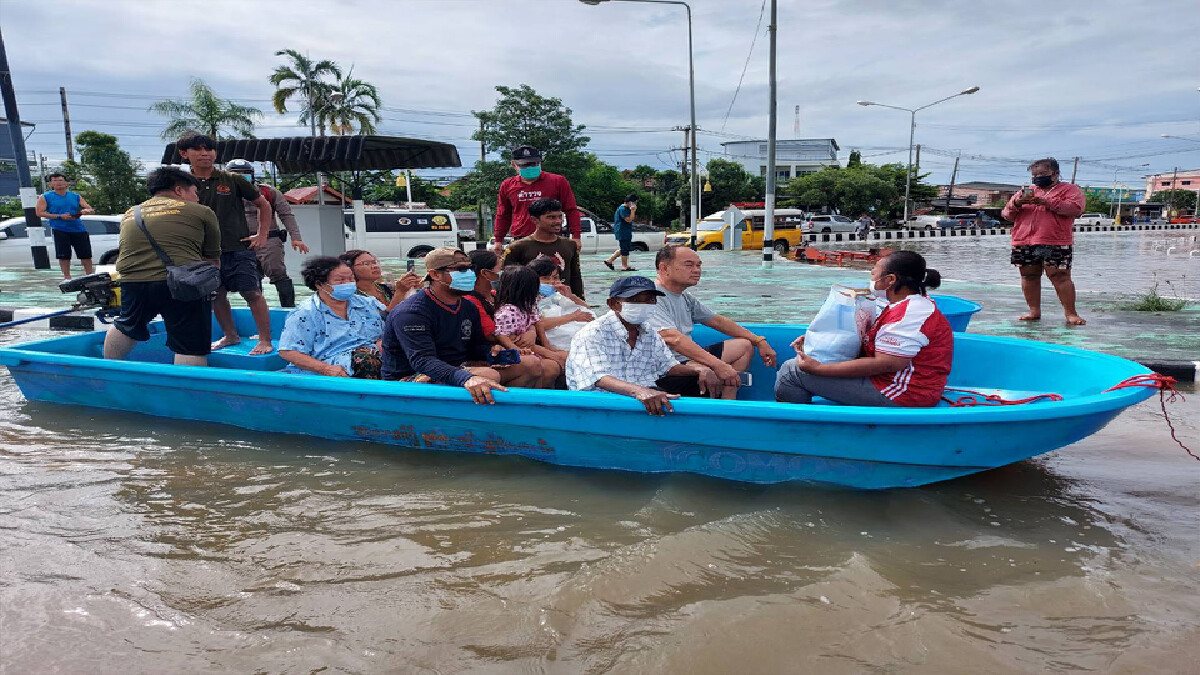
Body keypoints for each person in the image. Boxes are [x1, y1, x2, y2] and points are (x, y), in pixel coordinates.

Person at [775, 251, 953, 407]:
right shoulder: (905, 305)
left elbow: (886, 363)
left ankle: (800, 429)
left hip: (903, 392)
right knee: (805, 361)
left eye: (874, 273)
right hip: (894, 382)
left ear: (890, 280)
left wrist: (818, 369)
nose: (872, 278)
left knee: (792, 372)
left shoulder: (909, 314)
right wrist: (819, 341)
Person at [381, 247, 555, 403]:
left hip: (457, 366)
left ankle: (507, 414)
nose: (469, 274)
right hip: (410, 378)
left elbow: (475, 347)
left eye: (470, 268)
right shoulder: (412, 313)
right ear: (435, 275)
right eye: (461, 269)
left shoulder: (467, 307)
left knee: (532, 364)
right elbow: (422, 360)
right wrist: (465, 378)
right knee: (489, 375)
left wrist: (493, 352)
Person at [102, 167, 220, 366]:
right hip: (180, 283)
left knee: (126, 324)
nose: (197, 198)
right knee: (188, 342)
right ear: (179, 190)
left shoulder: (132, 212)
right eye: (195, 192)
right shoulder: (201, 211)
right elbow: (212, 258)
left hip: (132, 281)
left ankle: (109, 371)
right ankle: (187, 392)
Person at [175, 133, 276, 354]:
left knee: (253, 293)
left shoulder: (232, 179)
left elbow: (263, 204)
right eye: (198, 149)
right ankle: (230, 335)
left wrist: (262, 234)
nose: (205, 154)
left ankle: (266, 340)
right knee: (216, 295)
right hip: (202, 253)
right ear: (184, 154)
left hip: (238, 249)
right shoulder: (180, 184)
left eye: (209, 149)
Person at [643, 245, 777, 400]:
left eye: (699, 265)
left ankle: (727, 406)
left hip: (685, 361)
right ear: (664, 268)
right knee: (714, 367)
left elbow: (717, 321)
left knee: (744, 346)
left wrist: (758, 340)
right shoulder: (650, 296)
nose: (697, 270)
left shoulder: (684, 297)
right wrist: (718, 365)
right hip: (664, 369)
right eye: (689, 265)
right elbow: (673, 338)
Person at [565, 276, 707, 416]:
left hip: (643, 395)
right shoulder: (593, 333)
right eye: (635, 300)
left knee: (706, 382)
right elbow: (600, 378)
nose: (644, 305)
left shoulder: (648, 331)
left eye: (650, 300)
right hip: (602, 401)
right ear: (613, 304)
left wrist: (699, 370)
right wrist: (639, 390)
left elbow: (667, 366)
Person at [1001, 158, 1087, 325]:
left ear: (1055, 173)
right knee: (1028, 275)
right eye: (1035, 174)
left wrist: (1046, 202)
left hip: (1055, 241)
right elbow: (1007, 215)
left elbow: (1075, 209)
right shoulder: (1024, 192)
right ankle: (1034, 311)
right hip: (1024, 240)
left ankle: (1071, 314)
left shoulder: (1070, 190)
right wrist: (1017, 204)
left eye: (1043, 174)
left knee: (1060, 276)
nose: (1038, 177)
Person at [277, 256, 385, 378]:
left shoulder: (367, 304)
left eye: (351, 279)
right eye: (340, 280)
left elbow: (383, 334)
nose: (348, 283)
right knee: (366, 361)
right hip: (330, 367)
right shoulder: (306, 313)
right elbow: (288, 351)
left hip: (373, 356)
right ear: (320, 284)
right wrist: (326, 369)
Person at [225, 159, 309, 308]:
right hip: (239, 242)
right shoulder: (223, 195)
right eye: (236, 176)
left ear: (252, 175)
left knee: (277, 271)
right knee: (250, 278)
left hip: (268, 239)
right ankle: (258, 310)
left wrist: (296, 238)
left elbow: (286, 214)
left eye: (244, 175)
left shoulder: (268, 192)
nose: (241, 179)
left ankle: (288, 307)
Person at [492, 145, 581, 255]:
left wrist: (576, 236)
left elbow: (571, 210)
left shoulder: (558, 181)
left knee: (553, 271)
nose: (530, 167)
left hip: (551, 238)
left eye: (534, 164)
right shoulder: (507, 185)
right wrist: (498, 240)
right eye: (524, 165)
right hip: (521, 239)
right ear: (514, 164)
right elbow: (503, 214)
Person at [502, 198, 585, 299]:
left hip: (564, 304)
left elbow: (576, 278)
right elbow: (507, 281)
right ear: (535, 220)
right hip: (530, 304)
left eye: (560, 217)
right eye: (551, 217)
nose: (558, 221)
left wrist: (579, 303)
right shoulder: (517, 247)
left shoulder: (570, 245)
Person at [493, 265, 567, 370]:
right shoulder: (509, 311)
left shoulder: (528, 306)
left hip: (529, 347)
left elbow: (535, 323)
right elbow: (502, 335)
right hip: (518, 350)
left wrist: (547, 346)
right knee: (557, 360)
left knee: (564, 356)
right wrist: (514, 348)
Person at [35, 172, 96, 280]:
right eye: (54, 181)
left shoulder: (75, 196)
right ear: (51, 184)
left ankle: (89, 275)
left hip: (78, 228)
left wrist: (87, 210)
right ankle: (67, 277)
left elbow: (89, 208)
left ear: (67, 183)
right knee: (64, 255)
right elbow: (39, 213)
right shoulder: (45, 197)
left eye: (60, 180)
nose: (58, 183)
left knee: (85, 254)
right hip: (60, 229)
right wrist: (59, 216)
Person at [529, 256, 593, 352]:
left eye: (555, 278)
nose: (552, 282)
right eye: (545, 278)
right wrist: (572, 317)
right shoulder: (528, 300)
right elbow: (538, 324)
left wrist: (571, 297)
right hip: (556, 342)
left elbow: (588, 311)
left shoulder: (556, 296)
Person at [338, 249, 421, 315]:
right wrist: (400, 292)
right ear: (349, 268)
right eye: (366, 263)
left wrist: (412, 289)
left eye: (374, 262)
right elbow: (382, 320)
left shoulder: (383, 288)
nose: (375, 266)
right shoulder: (352, 295)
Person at [464, 249, 502, 340]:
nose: (503, 273)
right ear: (485, 273)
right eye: (500, 269)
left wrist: (530, 332)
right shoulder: (470, 301)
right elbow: (492, 334)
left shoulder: (495, 295)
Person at [604, 194, 638, 271]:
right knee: (624, 249)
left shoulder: (626, 209)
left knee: (625, 247)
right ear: (630, 202)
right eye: (635, 202)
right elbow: (629, 220)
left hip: (626, 231)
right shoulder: (622, 209)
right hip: (622, 231)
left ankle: (610, 260)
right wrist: (633, 211)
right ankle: (624, 266)